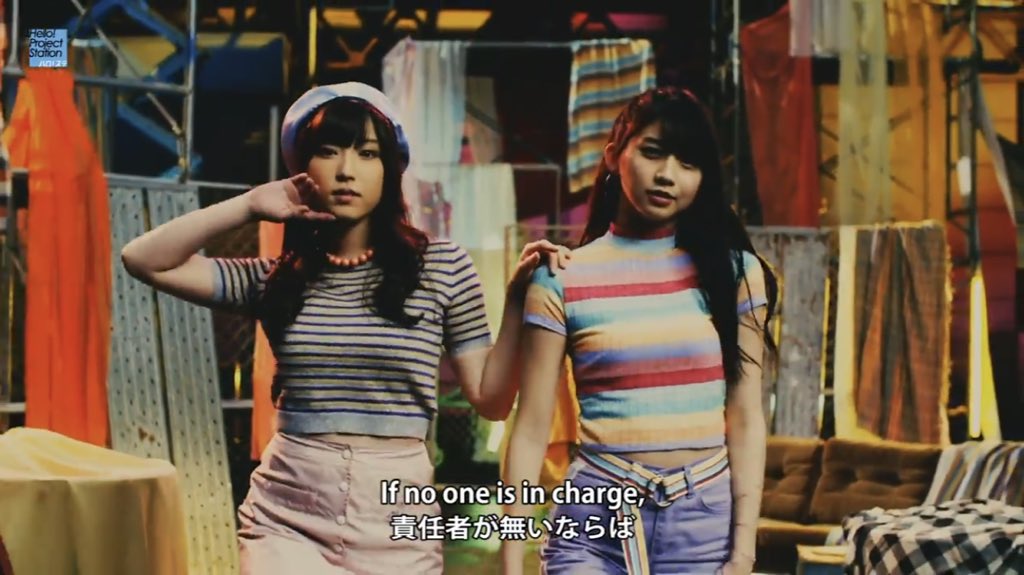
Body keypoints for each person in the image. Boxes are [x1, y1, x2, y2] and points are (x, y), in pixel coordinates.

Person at [120, 82, 569, 575]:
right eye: (328, 151)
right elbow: (142, 259)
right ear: (303, 169)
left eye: (367, 153)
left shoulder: (442, 267)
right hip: (287, 514)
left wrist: (514, 302)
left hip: (397, 517)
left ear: (389, 169)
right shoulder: (275, 278)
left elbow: (491, 400)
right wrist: (248, 205)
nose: (346, 169)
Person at [501, 87, 779, 575]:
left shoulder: (735, 273)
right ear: (614, 156)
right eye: (653, 152)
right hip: (593, 524)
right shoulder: (562, 276)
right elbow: (530, 429)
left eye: (688, 163)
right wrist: (509, 564)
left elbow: (746, 417)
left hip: (703, 528)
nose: (668, 175)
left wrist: (744, 552)